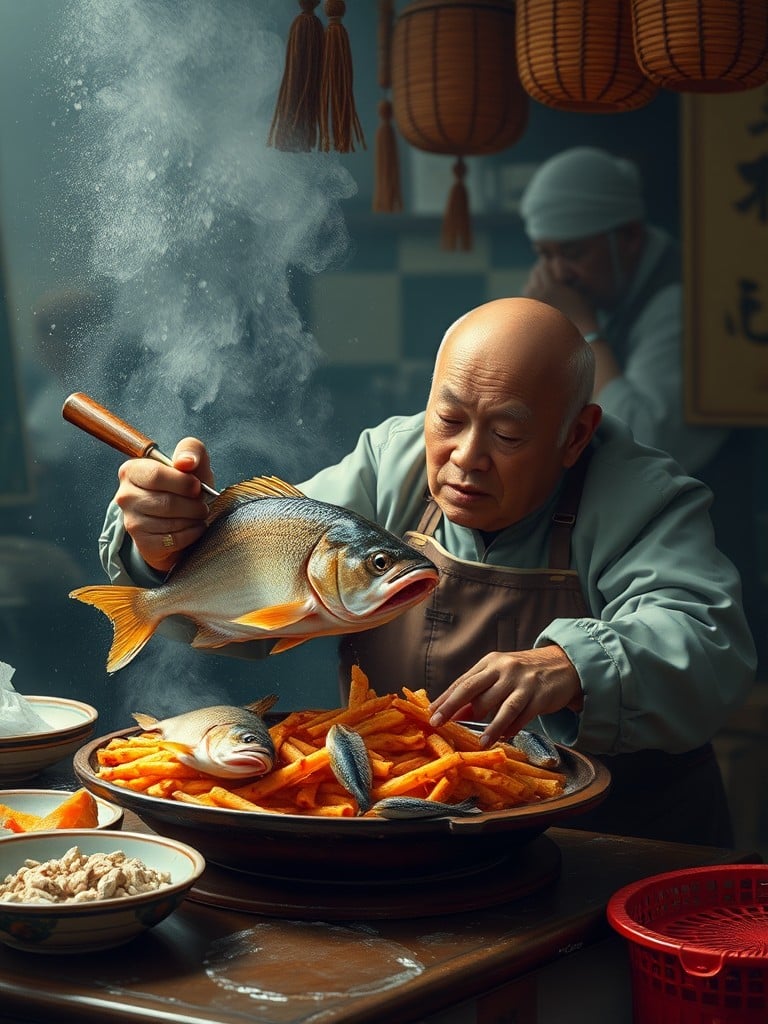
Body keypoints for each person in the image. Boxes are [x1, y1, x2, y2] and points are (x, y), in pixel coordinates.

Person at [98, 297, 756, 846]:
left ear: (576, 435)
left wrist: (574, 666)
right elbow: (254, 581)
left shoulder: (642, 496)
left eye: (508, 434)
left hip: (611, 845)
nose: (466, 459)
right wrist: (163, 549)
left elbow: (708, 641)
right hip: (409, 840)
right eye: (450, 418)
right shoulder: (392, 463)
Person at [519, 145, 766, 671]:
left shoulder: (682, 297)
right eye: (546, 255)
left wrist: (583, 329)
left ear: (628, 237)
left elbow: (649, 437)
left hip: (704, 554)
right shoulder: (609, 287)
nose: (559, 275)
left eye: (574, 254)